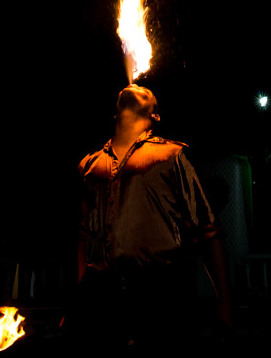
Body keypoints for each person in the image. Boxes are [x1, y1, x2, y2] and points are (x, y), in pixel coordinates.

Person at [65, 84, 232, 353]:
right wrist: (79, 302)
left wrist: (225, 304)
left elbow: (208, 230)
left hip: (159, 294)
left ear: (155, 116)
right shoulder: (89, 165)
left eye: (147, 92)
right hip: (100, 297)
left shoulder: (172, 155)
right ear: (115, 113)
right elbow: (84, 238)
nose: (136, 86)